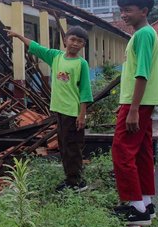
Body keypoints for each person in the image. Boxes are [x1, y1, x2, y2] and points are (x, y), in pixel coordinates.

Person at [7, 25, 93, 191]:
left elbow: (85, 92)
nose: (75, 44)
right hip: (60, 110)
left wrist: (82, 115)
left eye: (80, 42)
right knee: (64, 145)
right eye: (73, 39)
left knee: (72, 146)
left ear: (83, 45)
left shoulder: (81, 64)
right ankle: (71, 178)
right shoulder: (56, 56)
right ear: (65, 40)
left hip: (72, 112)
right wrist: (18, 35)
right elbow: (36, 47)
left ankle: (76, 182)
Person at [112, 0, 158, 225]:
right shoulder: (145, 34)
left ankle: (137, 209)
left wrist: (133, 108)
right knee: (143, 153)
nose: (123, 15)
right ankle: (146, 203)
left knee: (122, 151)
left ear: (144, 11)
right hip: (142, 102)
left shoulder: (144, 34)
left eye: (128, 10)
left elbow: (141, 73)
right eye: (121, 10)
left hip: (139, 103)